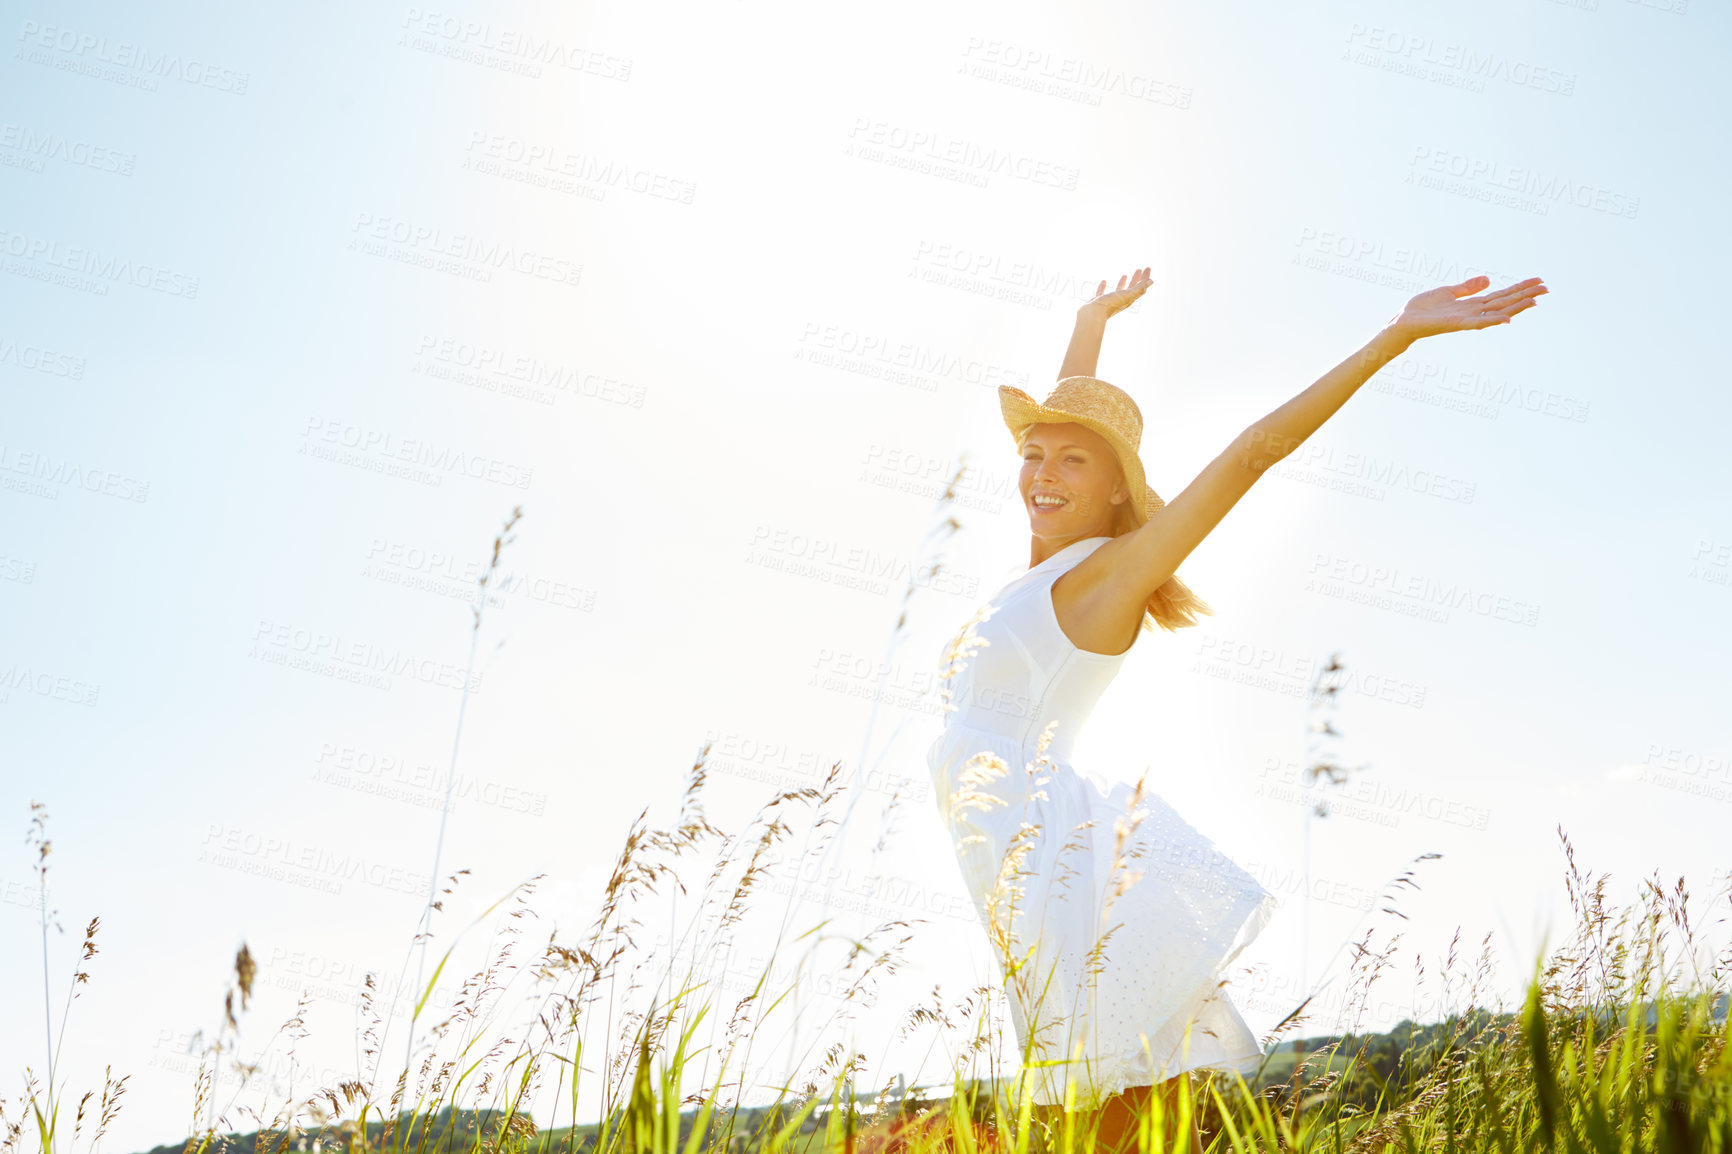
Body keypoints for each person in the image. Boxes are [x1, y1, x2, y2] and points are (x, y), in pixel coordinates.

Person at [926, 266, 1547, 1153]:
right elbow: (1066, 438)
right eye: (1032, 453)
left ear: (1116, 490)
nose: (1041, 475)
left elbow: (1255, 451)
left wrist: (1395, 336)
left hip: (1046, 859)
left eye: (1071, 460)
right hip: (1012, 861)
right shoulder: (1044, 568)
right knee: (1100, 1101)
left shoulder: (1108, 578)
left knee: (1095, 1105)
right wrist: (1088, 325)